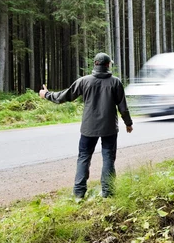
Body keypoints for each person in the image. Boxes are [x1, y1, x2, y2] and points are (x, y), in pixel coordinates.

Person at [39, 52, 133, 200]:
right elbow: (123, 107)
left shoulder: (84, 81)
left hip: (89, 128)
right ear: (108, 65)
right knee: (108, 158)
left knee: (83, 157)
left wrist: (47, 94)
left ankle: (78, 193)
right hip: (109, 128)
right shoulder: (115, 82)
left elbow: (66, 96)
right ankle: (108, 193)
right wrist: (128, 123)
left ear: (95, 64)